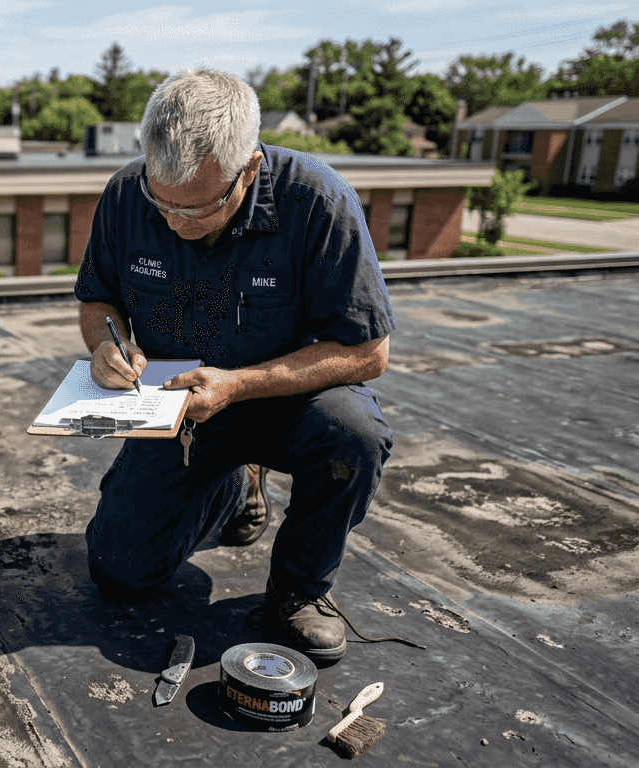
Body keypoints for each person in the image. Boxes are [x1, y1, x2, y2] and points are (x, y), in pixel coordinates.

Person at [73, 67, 394, 665]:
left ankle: (298, 590)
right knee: (119, 575)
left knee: (356, 435)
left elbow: (367, 353)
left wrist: (239, 384)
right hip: (179, 406)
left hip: (291, 402)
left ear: (248, 169)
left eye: (195, 210)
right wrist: (107, 344)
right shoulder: (125, 193)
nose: (173, 223)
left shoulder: (318, 200)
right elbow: (99, 298)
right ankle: (234, 484)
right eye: (159, 202)